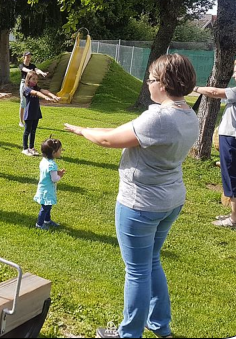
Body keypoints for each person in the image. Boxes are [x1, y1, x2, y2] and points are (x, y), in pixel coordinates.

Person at [64, 53, 199, 339]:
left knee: (137, 270)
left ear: (163, 83)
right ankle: (159, 325)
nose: (148, 84)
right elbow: (120, 133)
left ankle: (129, 334)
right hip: (170, 201)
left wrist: (83, 130)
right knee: (152, 261)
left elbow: (107, 140)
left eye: (150, 79)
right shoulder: (188, 114)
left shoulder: (159, 117)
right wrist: (85, 130)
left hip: (141, 205)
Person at [194, 58, 236, 229]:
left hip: (234, 138)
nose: (233, 75)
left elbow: (215, 92)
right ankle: (235, 215)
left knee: (232, 176)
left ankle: (235, 221)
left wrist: (194, 88)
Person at [22, 71, 60, 156]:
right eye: (33, 79)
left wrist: (54, 96)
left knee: (33, 131)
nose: (35, 81)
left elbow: (44, 90)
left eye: (36, 79)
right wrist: (45, 97)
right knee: (27, 131)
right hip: (29, 113)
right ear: (28, 79)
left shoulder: (36, 87)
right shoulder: (26, 88)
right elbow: (36, 93)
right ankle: (25, 148)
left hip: (36, 112)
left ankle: (31, 148)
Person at [34, 137, 66, 230]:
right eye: (60, 150)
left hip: (43, 187)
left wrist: (56, 172)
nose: (61, 151)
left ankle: (47, 221)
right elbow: (54, 179)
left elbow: (48, 173)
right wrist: (60, 175)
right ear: (53, 152)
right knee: (45, 208)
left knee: (48, 206)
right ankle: (39, 225)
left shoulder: (44, 161)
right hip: (47, 190)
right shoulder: (52, 165)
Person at [19, 52, 48, 127]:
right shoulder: (21, 65)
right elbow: (25, 70)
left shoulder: (32, 66)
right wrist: (32, 72)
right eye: (27, 57)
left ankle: (29, 119)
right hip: (24, 84)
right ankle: (21, 121)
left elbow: (37, 69)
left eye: (30, 57)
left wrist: (42, 73)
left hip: (32, 84)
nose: (29, 58)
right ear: (24, 57)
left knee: (31, 102)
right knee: (23, 103)